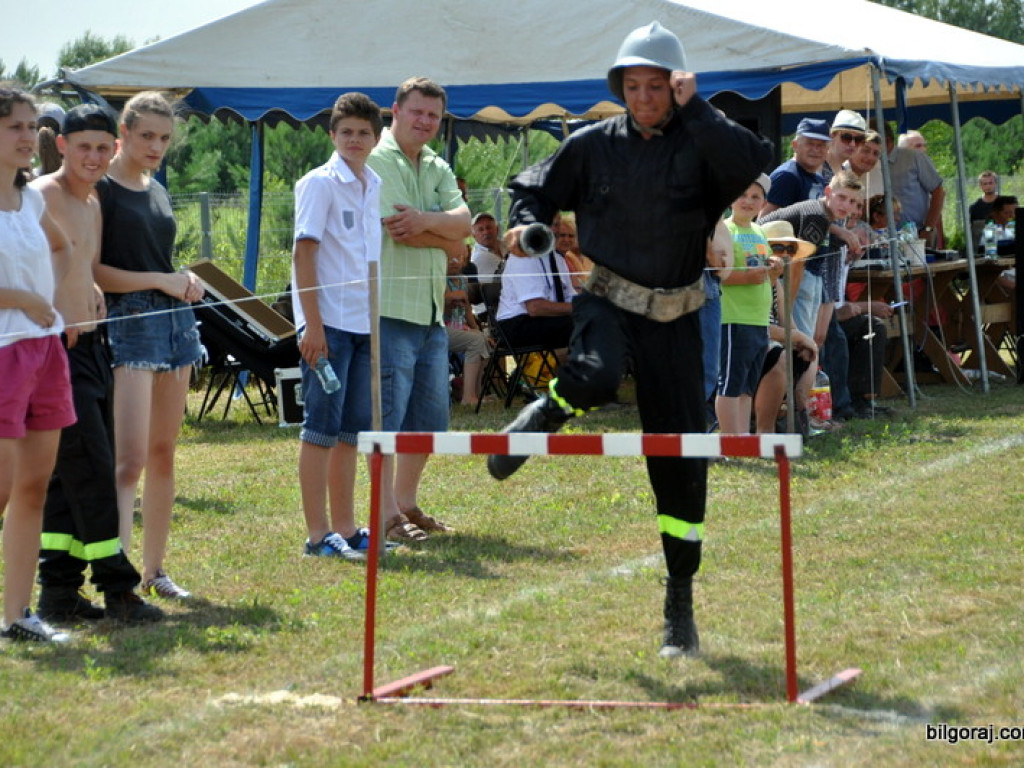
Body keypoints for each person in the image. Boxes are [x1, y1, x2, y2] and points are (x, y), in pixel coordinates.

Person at [486, 21, 771, 659]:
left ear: (674, 89)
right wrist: (529, 228)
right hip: (607, 299)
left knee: (680, 465)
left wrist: (699, 108)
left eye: (656, 87)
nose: (643, 97)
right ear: (619, 87)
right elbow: (532, 192)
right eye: (632, 86)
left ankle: (679, 601)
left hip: (678, 315)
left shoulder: (703, 144)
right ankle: (541, 416)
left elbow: (751, 160)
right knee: (593, 371)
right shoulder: (590, 146)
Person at [31, 104, 164, 623]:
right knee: (93, 469)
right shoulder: (41, 196)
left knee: (70, 477)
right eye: (82, 145)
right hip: (51, 355)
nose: (92, 155)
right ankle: (118, 587)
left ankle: (58, 592)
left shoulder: (91, 203)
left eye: (101, 147)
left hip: (92, 348)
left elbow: (78, 265)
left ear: (114, 149)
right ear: (61, 146)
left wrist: (88, 290)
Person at [94, 92, 205, 600]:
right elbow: (94, 273)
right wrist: (163, 281)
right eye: (147, 137)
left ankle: (154, 570)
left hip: (175, 325)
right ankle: (117, 578)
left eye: (164, 138)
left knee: (164, 453)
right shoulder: (101, 190)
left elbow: (160, 261)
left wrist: (182, 282)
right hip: (128, 325)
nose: (156, 146)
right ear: (125, 131)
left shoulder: (155, 188)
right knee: (129, 459)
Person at [366, 77, 471, 540]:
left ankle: (406, 504)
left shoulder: (436, 164)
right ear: (395, 110)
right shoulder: (374, 159)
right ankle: (385, 515)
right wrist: (444, 235)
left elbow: (465, 226)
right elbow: (396, 229)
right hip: (389, 308)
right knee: (387, 421)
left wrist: (430, 224)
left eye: (433, 115)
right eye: (417, 112)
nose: (425, 121)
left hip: (431, 313)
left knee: (427, 420)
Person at [291, 92, 385, 561]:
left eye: (363, 133)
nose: (354, 139)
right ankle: (316, 535)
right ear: (332, 135)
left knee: (351, 432)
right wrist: (312, 326)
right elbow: (303, 253)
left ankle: (347, 529)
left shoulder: (374, 182)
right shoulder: (318, 184)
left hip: (364, 324)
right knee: (320, 429)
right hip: (325, 326)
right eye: (346, 131)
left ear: (376, 138)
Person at [0, 87, 76, 642]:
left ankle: (18, 616)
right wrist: (25, 299)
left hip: (45, 349)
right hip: (4, 354)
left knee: (33, 488)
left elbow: (63, 248)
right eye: (15, 128)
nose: (29, 137)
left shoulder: (31, 199)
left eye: (31, 126)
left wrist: (65, 297)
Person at [717, 174, 782, 434]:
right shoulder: (724, 230)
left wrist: (774, 271)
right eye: (742, 194)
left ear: (763, 202)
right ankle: (729, 440)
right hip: (733, 318)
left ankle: (743, 441)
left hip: (758, 320)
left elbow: (765, 276)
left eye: (755, 197)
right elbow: (718, 274)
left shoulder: (759, 232)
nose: (748, 201)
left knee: (747, 387)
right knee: (731, 384)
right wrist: (747, 276)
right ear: (731, 199)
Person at [494, 226, 575, 355]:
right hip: (516, 324)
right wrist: (579, 308)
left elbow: (570, 296)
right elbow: (535, 308)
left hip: (544, 319)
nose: (555, 229)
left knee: (593, 319)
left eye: (557, 223)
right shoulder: (522, 257)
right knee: (581, 325)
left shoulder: (558, 259)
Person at [878, 121, 944, 245]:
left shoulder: (913, 157)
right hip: (884, 238)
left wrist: (928, 229)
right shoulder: (871, 162)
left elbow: (938, 191)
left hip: (917, 234)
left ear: (885, 140)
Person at [444, 249, 492, 406]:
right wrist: (450, 301)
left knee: (484, 340)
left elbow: (467, 310)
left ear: (465, 261)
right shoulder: (439, 279)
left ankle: (473, 391)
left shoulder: (463, 279)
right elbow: (439, 311)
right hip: (442, 327)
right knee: (475, 341)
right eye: (450, 258)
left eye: (459, 258)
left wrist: (477, 329)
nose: (454, 262)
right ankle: (468, 396)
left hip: (459, 326)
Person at [759, 117, 829, 216]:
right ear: (795, 145)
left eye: (821, 145)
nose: (816, 149)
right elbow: (764, 221)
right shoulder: (787, 176)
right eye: (810, 143)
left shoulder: (819, 179)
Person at [467, 211, 503, 320]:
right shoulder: (479, 258)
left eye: (489, 227)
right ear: (474, 235)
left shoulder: (506, 246)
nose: (486, 232)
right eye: (481, 229)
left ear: (497, 229)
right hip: (487, 312)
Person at [822, 109, 866, 183]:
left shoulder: (847, 173)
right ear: (832, 136)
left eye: (858, 139)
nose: (853, 144)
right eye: (847, 138)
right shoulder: (816, 167)